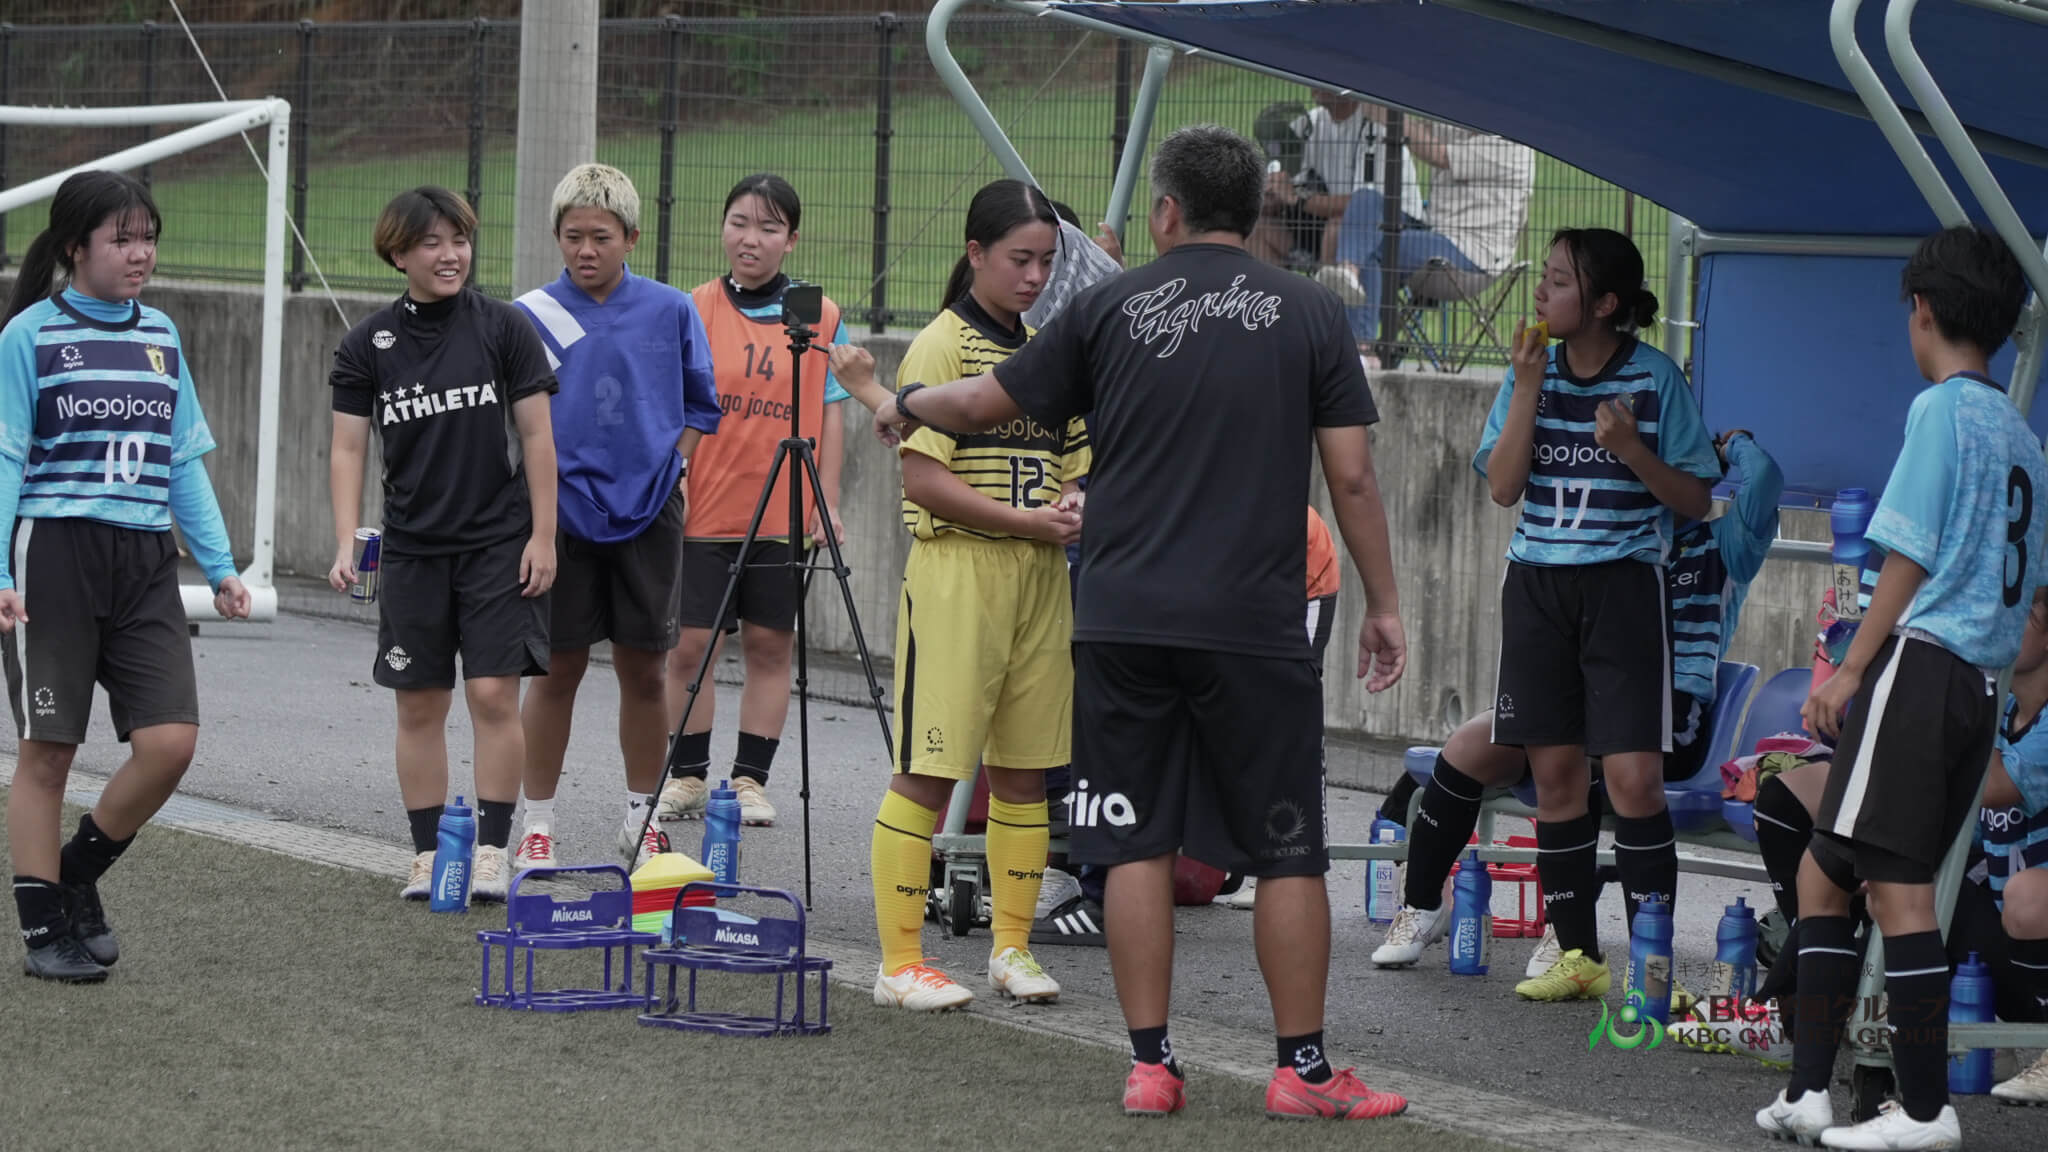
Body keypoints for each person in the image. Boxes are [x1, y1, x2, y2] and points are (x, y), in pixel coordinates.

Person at [872, 125, 1410, 1122]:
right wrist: (1380, 604)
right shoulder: (1309, 313)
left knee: (1134, 839)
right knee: (1288, 848)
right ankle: (1301, 1070)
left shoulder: (1105, 305)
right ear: (1255, 210)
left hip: (1120, 618)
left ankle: (1151, 1066)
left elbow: (979, 405)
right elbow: (1351, 478)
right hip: (1252, 619)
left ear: (1164, 211)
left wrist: (904, 399)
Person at [1755, 224, 2047, 1151]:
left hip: (1923, 669)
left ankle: (1923, 1109)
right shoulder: (2023, 437)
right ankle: (1810, 1090)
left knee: (1899, 893)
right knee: (1827, 869)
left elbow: (1906, 553)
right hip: (1975, 687)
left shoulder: (1942, 412)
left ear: (1921, 311)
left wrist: (1850, 668)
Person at [1374, 430, 1781, 979]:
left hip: (1667, 715)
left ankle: (1566, 931)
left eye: (1675, 473)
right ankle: (1422, 907)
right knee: (1468, 747)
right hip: (1582, 704)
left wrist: (1731, 447)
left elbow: (1766, 482)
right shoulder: (1608, 539)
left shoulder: (1724, 546)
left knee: (1576, 758)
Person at [0, 170, 252, 983]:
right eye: (122, 239)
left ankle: (75, 874)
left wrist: (221, 565)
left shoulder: (162, 336)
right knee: (49, 751)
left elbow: (180, 461)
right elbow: (5, 460)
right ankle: (44, 931)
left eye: (148, 237)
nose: (140, 253)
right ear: (76, 247)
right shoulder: (28, 337)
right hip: (53, 557)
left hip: (145, 560)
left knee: (170, 742)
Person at [847, 178, 1086, 1016]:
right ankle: (900, 961)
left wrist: (1075, 504)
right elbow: (923, 479)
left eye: (1046, 262)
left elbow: (1080, 462)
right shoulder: (940, 346)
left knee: (1025, 774)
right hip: (958, 575)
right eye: (1020, 259)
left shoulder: (1052, 349)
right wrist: (1029, 520)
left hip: (1040, 580)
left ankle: (1011, 947)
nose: (1034, 277)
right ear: (976, 253)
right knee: (926, 769)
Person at [1475, 228, 1721, 1004]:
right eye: (1544, 277)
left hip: (1623, 589)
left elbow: (1698, 500)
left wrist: (1632, 451)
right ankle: (1578, 955)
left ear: (1606, 302)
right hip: (1537, 587)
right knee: (1555, 778)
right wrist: (1525, 388)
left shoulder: (1654, 379)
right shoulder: (1528, 371)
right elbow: (1503, 488)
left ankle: (1654, 968)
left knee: (1633, 780)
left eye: (1558, 281)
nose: (1540, 292)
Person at [328, 186, 558, 905]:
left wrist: (544, 535)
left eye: (459, 239)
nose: (451, 254)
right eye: (431, 243)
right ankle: (428, 855)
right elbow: (347, 448)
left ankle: (491, 851)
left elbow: (538, 436)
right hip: (411, 553)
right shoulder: (366, 344)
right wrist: (346, 541)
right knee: (420, 706)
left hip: (498, 545)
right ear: (398, 254)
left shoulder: (505, 327)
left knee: (493, 694)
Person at [513, 163, 719, 872]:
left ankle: (643, 816)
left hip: (649, 512)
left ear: (631, 237)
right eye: (572, 236)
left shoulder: (671, 309)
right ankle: (536, 824)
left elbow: (701, 405)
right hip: (559, 515)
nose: (585, 250)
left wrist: (676, 467)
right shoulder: (529, 314)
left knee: (645, 668)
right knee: (555, 669)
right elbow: (515, 420)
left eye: (601, 237)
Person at [652, 174, 850, 830]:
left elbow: (831, 410)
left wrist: (825, 501)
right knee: (690, 647)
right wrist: (673, 477)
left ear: (791, 240)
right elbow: (673, 404)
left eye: (768, 227)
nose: (751, 239)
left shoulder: (818, 313)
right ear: (722, 227)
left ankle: (749, 781)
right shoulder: (694, 307)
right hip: (705, 509)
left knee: (770, 647)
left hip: (782, 513)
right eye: (739, 222)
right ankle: (687, 776)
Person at [1315, 127, 1535, 353]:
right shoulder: (1458, 128)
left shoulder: (1513, 145)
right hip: (1434, 233)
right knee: (1366, 198)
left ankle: (1361, 347)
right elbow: (1424, 126)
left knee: (1374, 245)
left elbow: (1440, 155)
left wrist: (1395, 120)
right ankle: (1349, 272)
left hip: (1474, 254)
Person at [1248, 90, 1426, 272]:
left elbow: (1366, 205)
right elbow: (1289, 182)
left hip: (1396, 223)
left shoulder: (1376, 128)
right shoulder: (1309, 122)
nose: (1316, 84)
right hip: (1326, 223)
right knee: (1257, 225)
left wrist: (1296, 197)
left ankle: (1332, 289)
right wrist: (1272, 195)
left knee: (1338, 226)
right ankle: (1280, 291)